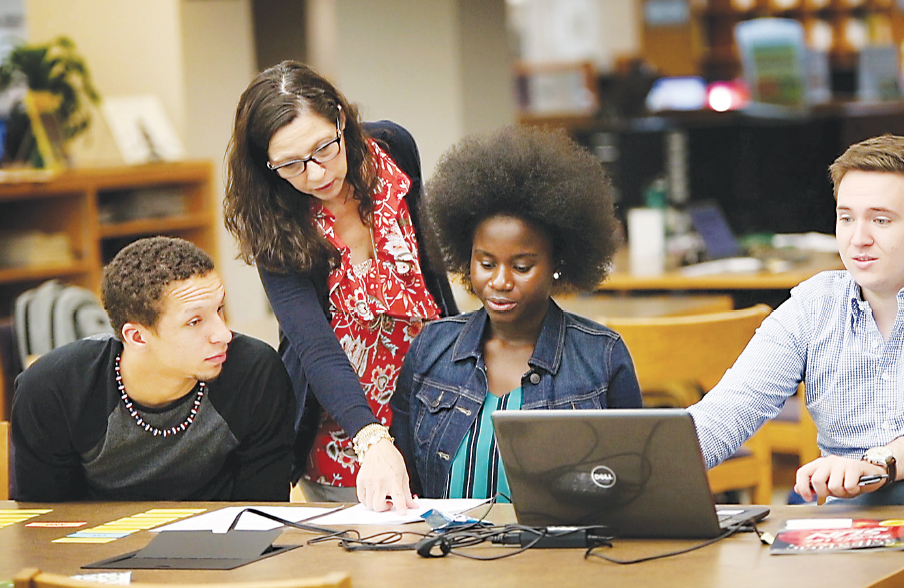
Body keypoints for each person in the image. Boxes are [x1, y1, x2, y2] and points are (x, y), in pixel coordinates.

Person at [687, 134, 904, 586]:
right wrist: (642, 468)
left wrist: (877, 465)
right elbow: (729, 409)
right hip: (847, 544)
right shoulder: (814, 304)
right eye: (846, 218)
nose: (858, 239)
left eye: (881, 220)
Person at [224, 61, 457, 510]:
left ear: (340, 118)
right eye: (290, 164)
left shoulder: (393, 147)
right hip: (346, 436)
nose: (315, 174)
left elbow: (429, 270)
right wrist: (371, 440)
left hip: (436, 414)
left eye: (323, 149)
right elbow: (314, 347)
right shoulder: (274, 223)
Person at [391, 125, 644, 500]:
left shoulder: (601, 357)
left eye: (522, 266)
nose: (500, 281)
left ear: (557, 263)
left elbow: (632, 481)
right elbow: (406, 481)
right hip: (449, 554)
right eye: (486, 263)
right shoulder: (432, 349)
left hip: (558, 555)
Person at [11, 236, 295, 501]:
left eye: (219, 309)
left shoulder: (255, 372)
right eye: (195, 322)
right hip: (96, 548)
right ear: (137, 337)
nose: (223, 335)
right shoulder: (53, 391)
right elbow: (45, 526)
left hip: (226, 547)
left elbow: (263, 514)